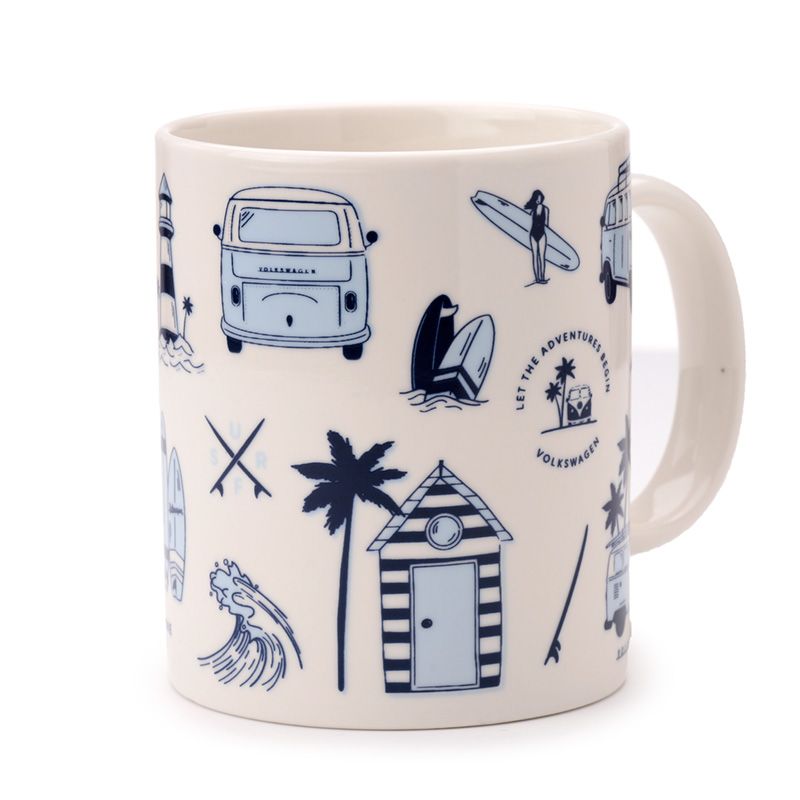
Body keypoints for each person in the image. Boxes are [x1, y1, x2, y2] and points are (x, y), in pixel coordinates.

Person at [524, 189, 549, 285]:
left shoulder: (545, 209)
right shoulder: (532, 210)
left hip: (542, 234)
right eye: (537, 198)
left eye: (540, 198)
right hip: (533, 234)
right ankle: (537, 278)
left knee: (541, 257)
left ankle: (542, 277)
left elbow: (547, 225)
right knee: (535, 256)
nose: (538, 200)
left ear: (542, 198)